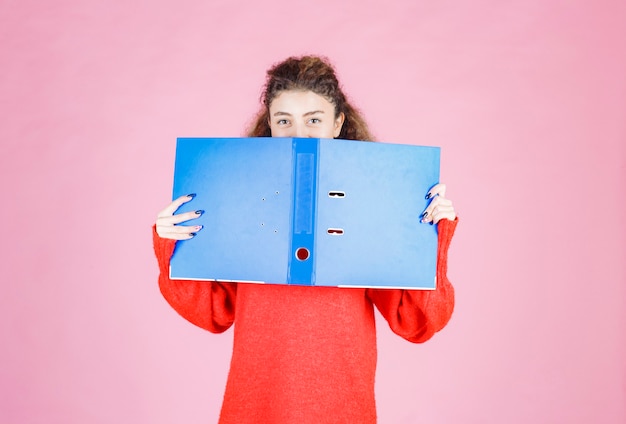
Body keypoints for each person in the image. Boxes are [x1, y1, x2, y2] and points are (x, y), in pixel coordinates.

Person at [153, 55, 458, 424]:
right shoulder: (238, 195)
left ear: (337, 123)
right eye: (285, 121)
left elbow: (416, 322)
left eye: (314, 120)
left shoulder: (375, 201)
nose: (299, 134)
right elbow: (215, 314)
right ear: (270, 125)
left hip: (342, 407)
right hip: (255, 405)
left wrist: (433, 240)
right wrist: (173, 247)